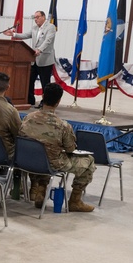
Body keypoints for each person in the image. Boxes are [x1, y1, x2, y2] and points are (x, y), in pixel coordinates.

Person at [20, 83, 96, 212]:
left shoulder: (28, 118)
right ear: (58, 101)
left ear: (43, 96)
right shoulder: (63, 126)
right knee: (89, 161)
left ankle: (41, 191)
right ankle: (75, 201)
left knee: (45, 153)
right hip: (51, 164)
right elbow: (70, 149)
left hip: (27, 161)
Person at [4, 10, 56, 107]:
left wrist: (39, 50)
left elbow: (48, 41)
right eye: (34, 17)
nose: (35, 19)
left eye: (37, 17)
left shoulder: (51, 27)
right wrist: (13, 35)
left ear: (43, 17)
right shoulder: (34, 28)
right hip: (34, 59)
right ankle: (30, 99)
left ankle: (45, 102)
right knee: (29, 80)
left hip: (45, 59)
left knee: (45, 82)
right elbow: (26, 35)